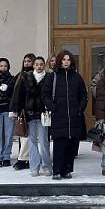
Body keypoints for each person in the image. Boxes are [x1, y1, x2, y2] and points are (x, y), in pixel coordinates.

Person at [41, 50, 88, 180]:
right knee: (59, 144)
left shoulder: (76, 77)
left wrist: (80, 108)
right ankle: (56, 170)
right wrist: (52, 107)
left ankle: (67, 170)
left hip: (74, 116)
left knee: (71, 144)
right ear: (59, 61)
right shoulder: (53, 76)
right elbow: (45, 94)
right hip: (59, 115)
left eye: (68, 60)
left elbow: (83, 94)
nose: (66, 62)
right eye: (63, 59)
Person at [10, 56, 52, 176]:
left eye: (41, 64)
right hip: (30, 114)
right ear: (33, 66)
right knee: (32, 142)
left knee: (44, 141)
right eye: (37, 64)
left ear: (44, 65)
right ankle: (34, 167)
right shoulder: (26, 77)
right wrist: (16, 111)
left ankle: (47, 166)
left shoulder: (49, 77)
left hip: (44, 115)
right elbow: (19, 95)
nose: (39, 66)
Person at [11, 53, 35, 171]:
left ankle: (24, 159)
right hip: (22, 110)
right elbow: (15, 94)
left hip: (32, 109)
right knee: (23, 135)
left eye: (29, 61)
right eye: (25, 61)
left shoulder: (34, 75)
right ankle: (23, 158)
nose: (26, 63)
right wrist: (14, 109)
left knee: (29, 137)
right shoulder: (19, 76)